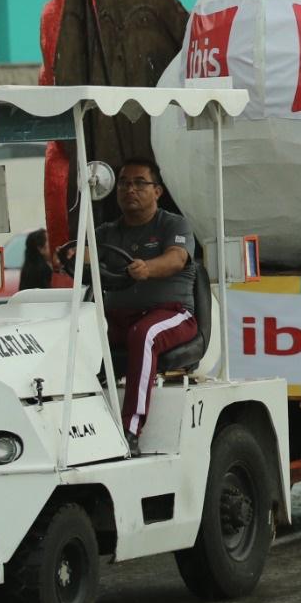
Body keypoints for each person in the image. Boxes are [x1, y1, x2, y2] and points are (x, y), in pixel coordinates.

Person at [95, 159, 200, 454]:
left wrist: (148, 268)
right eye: (124, 183)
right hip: (119, 316)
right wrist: (72, 254)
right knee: (78, 330)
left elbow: (177, 258)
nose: (130, 189)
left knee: (145, 334)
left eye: (140, 183)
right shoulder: (106, 232)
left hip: (172, 313)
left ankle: (130, 429)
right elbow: (86, 253)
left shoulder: (173, 224)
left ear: (158, 191)